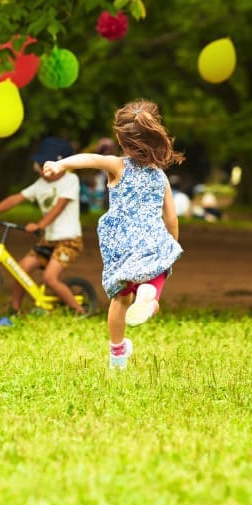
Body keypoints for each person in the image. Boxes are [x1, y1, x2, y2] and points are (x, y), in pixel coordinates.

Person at [43, 99, 183, 370]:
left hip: (120, 243)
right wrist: (171, 245)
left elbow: (90, 159)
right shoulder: (160, 176)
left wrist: (61, 166)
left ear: (119, 137)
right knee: (155, 275)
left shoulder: (117, 165)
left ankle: (117, 354)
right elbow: (172, 218)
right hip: (151, 237)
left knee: (120, 299)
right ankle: (149, 299)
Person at [0, 136, 86, 316]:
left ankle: (79, 311)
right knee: (21, 271)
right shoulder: (40, 184)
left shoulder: (70, 180)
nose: (43, 170)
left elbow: (59, 207)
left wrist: (39, 225)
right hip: (48, 239)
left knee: (50, 278)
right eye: (40, 165)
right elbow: (16, 198)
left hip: (69, 240)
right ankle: (15, 310)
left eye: (46, 164)